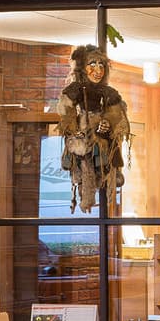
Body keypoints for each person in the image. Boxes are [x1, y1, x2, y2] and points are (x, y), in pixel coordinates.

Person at [56, 44, 130, 212]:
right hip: (83, 132)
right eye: (93, 65)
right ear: (83, 68)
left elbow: (118, 117)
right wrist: (75, 130)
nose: (98, 70)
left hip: (102, 138)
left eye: (101, 65)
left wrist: (108, 124)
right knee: (84, 160)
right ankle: (85, 195)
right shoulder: (74, 90)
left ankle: (108, 179)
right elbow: (66, 112)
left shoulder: (109, 93)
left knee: (106, 158)